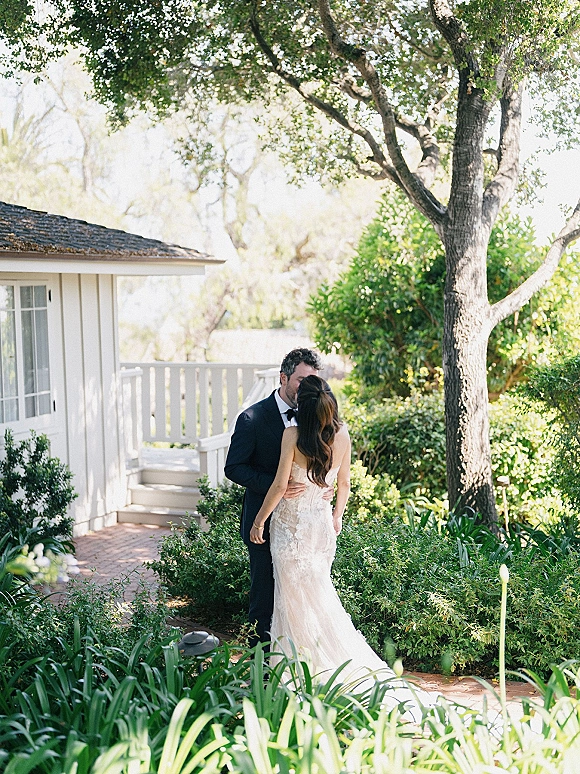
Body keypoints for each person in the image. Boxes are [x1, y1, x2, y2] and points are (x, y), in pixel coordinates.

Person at [249, 375, 427, 701]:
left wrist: (259, 521)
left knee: (292, 604)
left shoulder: (292, 436)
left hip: (290, 531)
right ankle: (320, 667)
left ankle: (297, 676)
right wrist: (336, 517)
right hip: (319, 529)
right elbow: (344, 485)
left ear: (302, 408)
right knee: (317, 598)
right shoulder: (343, 435)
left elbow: (278, 487)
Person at [224, 348, 324, 646]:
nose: (308, 388)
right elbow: (234, 468)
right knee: (264, 599)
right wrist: (275, 485)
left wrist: (322, 485)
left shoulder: (317, 416)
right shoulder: (252, 418)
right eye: (301, 380)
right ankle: (260, 669)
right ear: (284, 378)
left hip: (303, 528)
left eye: (313, 381)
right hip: (265, 526)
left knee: (303, 600)